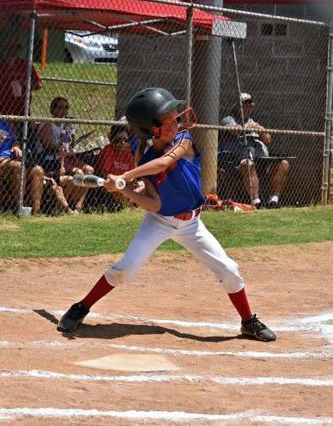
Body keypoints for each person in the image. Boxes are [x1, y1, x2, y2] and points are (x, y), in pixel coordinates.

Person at [58, 87, 276, 342]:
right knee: (125, 270)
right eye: (169, 120)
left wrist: (125, 177)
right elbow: (154, 203)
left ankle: (248, 321)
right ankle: (81, 307)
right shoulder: (145, 159)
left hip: (192, 223)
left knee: (228, 270)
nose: (178, 122)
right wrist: (128, 189)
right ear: (152, 130)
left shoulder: (184, 141)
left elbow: (164, 163)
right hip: (160, 220)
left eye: (176, 117)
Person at [221, 92, 289, 209]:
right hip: (239, 162)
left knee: (284, 164)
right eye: (244, 106)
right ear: (236, 107)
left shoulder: (254, 121)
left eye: (249, 107)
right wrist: (245, 128)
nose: (247, 109)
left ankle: (273, 200)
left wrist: (262, 131)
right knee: (249, 164)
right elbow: (234, 130)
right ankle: (256, 202)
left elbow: (268, 140)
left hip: (262, 162)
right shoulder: (229, 119)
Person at [35, 96, 94, 213]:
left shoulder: (67, 125)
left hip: (63, 159)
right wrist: (60, 148)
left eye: (66, 107)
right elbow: (47, 146)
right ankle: (60, 208)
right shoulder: (47, 124)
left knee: (87, 170)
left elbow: (69, 146)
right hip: (48, 160)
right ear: (52, 110)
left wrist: (70, 142)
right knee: (77, 174)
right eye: (60, 107)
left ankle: (78, 206)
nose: (64, 110)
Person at [0, 118, 44, 215]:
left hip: (11, 159)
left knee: (38, 170)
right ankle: (19, 208)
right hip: (2, 159)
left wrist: (16, 147)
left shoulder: (4, 123)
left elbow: (14, 141)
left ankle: (36, 211)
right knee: (18, 167)